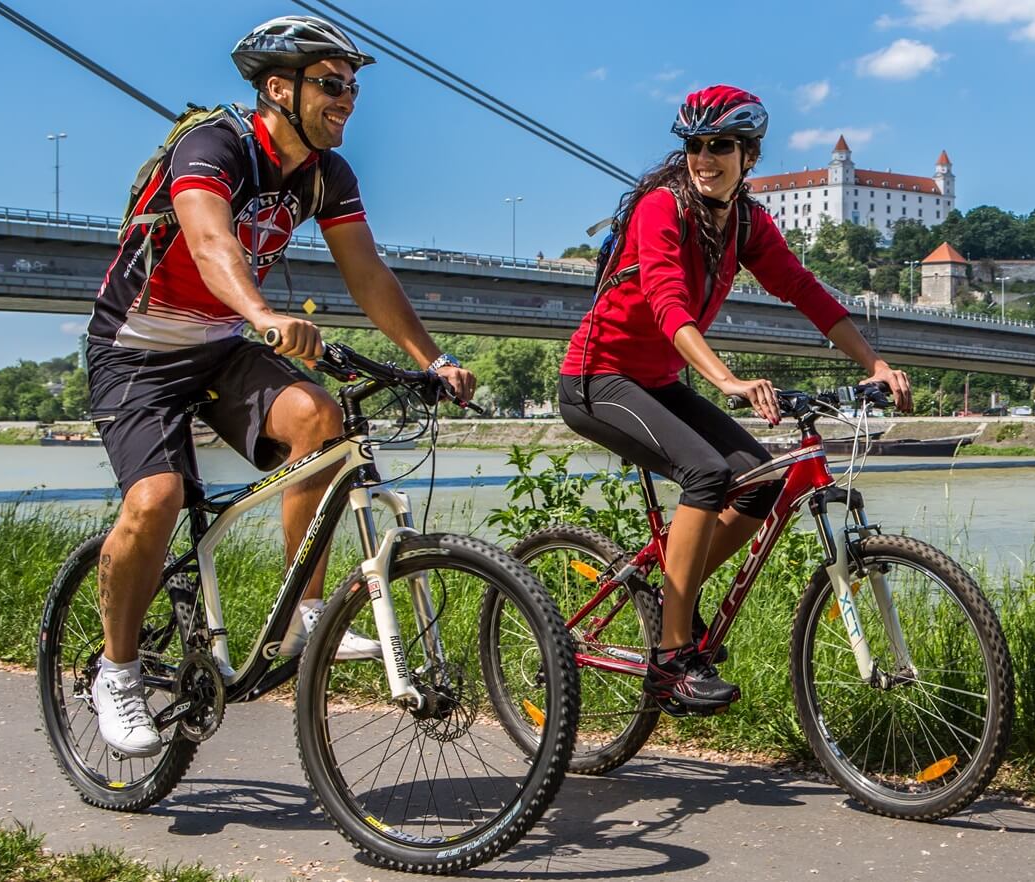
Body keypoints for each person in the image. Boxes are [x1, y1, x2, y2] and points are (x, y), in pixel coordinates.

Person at [84, 15, 476, 757]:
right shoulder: (216, 146)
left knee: (319, 420)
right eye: (332, 84)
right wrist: (264, 313)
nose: (348, 99)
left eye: (353, 86)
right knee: (158, 499)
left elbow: (367, 273)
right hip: (136, 352)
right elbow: (209, 241)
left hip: (222, 349)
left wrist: (430, 358)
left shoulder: (329, 175)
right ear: (277, 87)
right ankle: (118, 670)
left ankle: (307, 613)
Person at [559, 85, 911, 716]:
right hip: (599, 378)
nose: (705, 157)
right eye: (695, 144)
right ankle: (671, 656)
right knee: (708, 473)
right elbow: (666, 301)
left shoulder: (746, 220)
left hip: (659, 380)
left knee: (757, 483)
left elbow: (803, 289)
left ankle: (675, 599)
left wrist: (875, 363)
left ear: (749, 154)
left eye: (720, 145)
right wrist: (726, 380)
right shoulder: (660, 209)